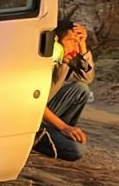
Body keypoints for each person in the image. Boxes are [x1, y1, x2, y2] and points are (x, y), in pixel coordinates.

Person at [33, 21, 94, 161]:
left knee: (81, 89)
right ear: (55, 42)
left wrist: (82, 45)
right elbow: (33, 103)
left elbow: (87, 78)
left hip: (44, 113)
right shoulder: (43, 61)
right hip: (29, 116)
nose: (75, 48)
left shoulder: (65, 61)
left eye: (77, 42)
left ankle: (55, 133)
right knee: (75, 151)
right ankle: (36, 139)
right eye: (71, 41)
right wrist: (64, 127)